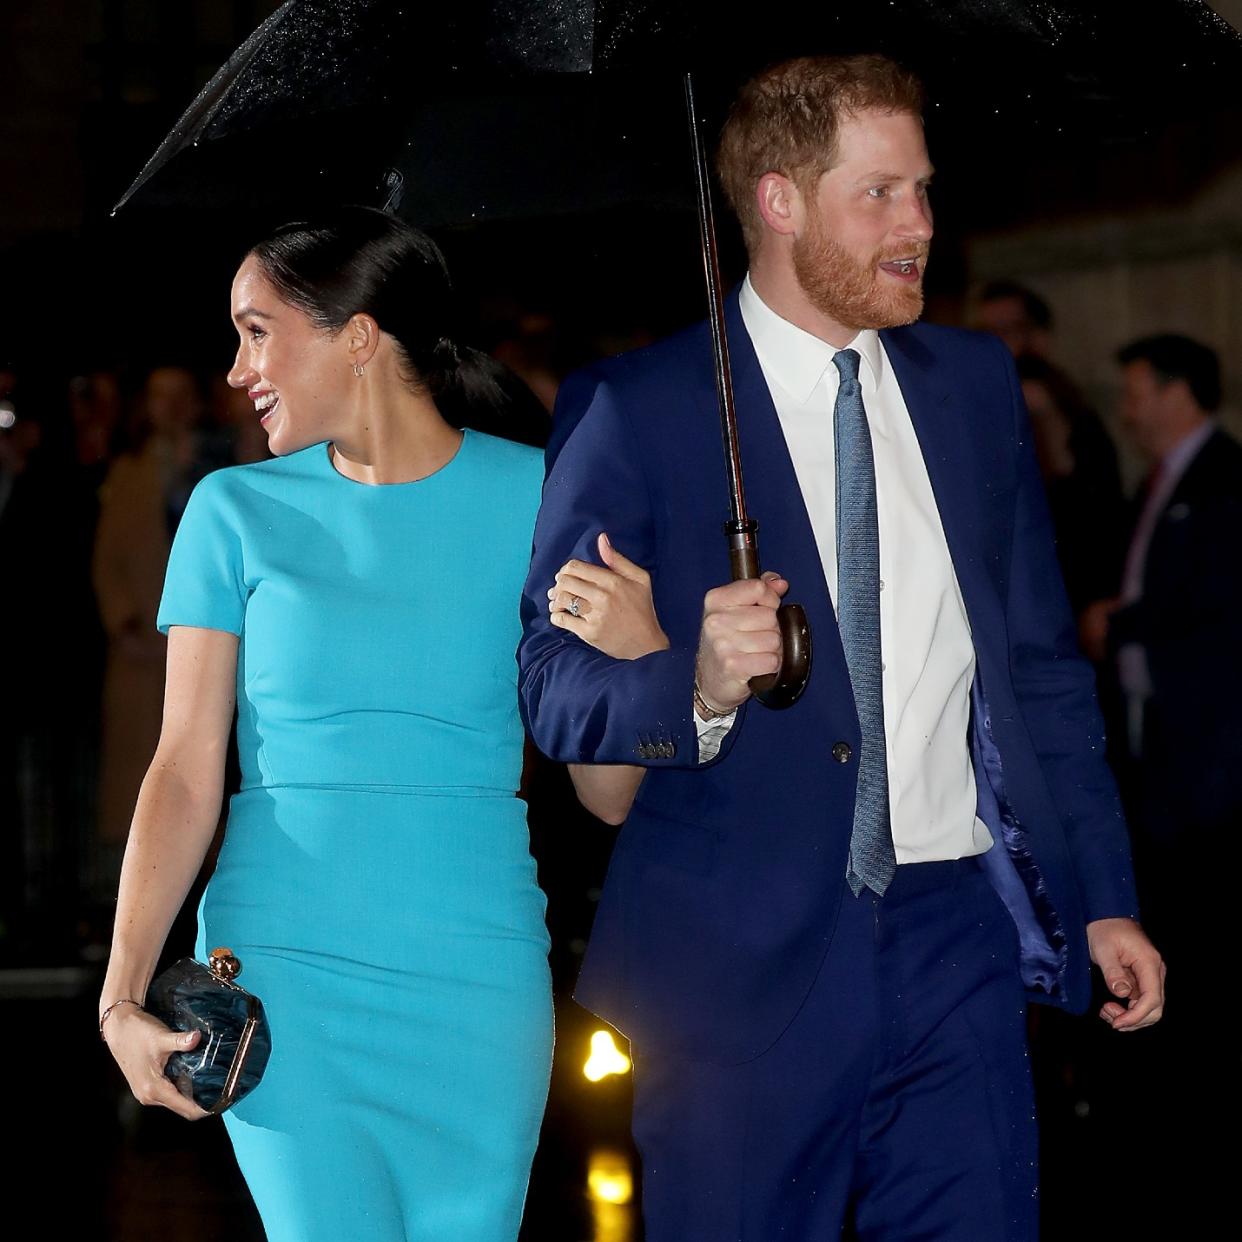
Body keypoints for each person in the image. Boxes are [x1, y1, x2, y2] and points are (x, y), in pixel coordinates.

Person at [518, 55, 1164, 1241]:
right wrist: (697, 684)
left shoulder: (974, 388)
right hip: (731, 970)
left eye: (923, 189)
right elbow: (556, 692)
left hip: (955, 939)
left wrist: (1103, 894)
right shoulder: (641, 408)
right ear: (778, 199)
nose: (919, 224)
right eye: (879, 194)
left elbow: (1036, 674)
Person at [98, 207, 554, 1242]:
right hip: (285, 976)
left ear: (357, 334)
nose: (234, 368)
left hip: (477, 973)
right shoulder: (230, 510)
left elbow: (608, 778)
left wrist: (663, 662)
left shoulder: (540, 495)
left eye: (257, 331)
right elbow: (181, 767)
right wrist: (119, 998)